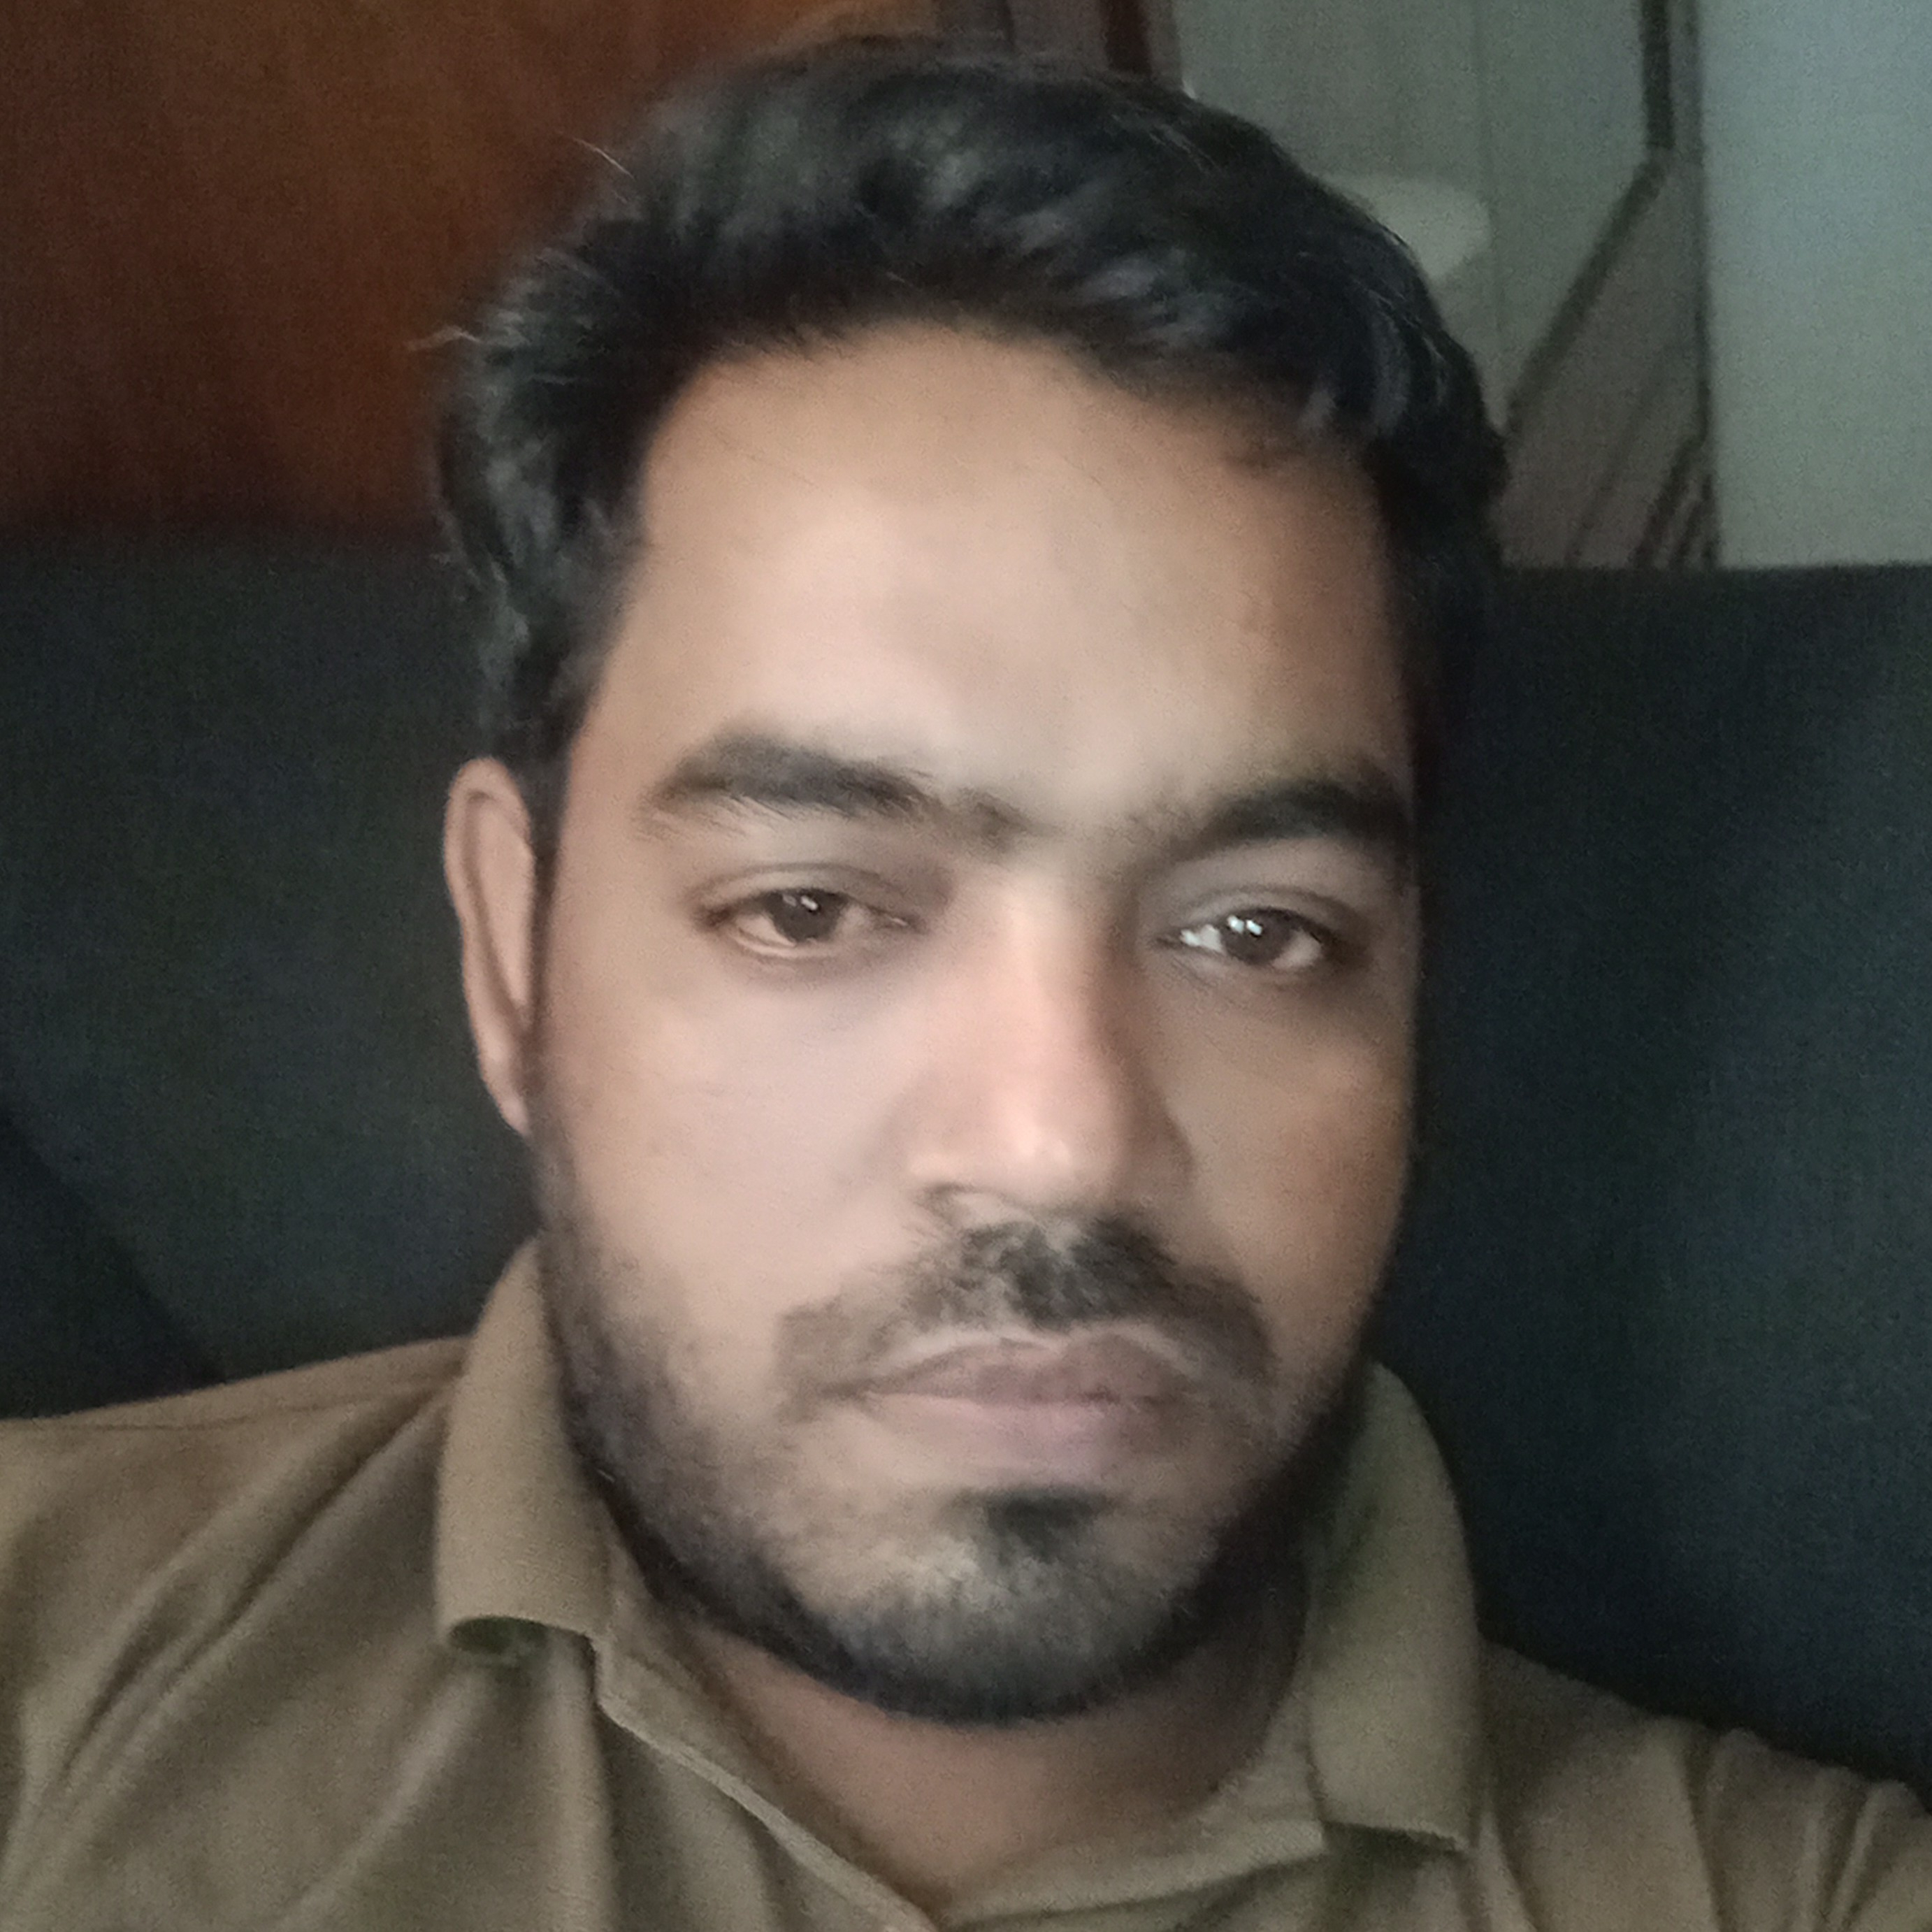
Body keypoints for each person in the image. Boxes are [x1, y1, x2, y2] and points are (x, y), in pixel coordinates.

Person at [1, 40, 1927, 1931]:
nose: (1058, 1143)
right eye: (810, 907)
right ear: (512, 957)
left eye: (1254, 931)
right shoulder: (55, 1662)